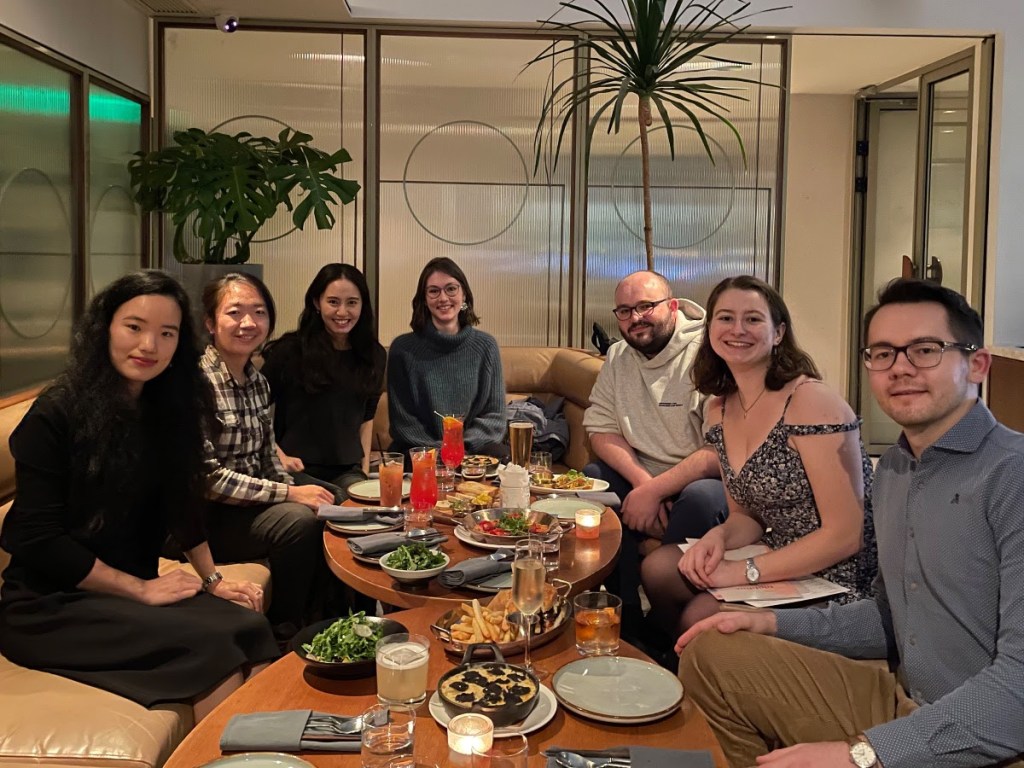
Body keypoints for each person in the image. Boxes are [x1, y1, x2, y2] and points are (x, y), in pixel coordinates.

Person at [677, 278, 1024, 768]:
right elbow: (887, 617)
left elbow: (1017, 686)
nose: (900, 367)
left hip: (986, 734)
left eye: (925, 350)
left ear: (977, 365)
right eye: (883, 353)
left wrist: (864, 753)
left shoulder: (1010, 475)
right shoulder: (896, 469)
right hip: (901, 699)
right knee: (711, 651)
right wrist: (768, 622)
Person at [0, 271, 277, 715]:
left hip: (132, 591)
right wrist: (140, 590)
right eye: (134, 327)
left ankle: (259, 748)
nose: (149, 345)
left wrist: (213, 580)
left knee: (252, 630)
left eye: (166, 333)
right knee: (213, 649)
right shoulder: (56, 413)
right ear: (105, 328)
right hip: (52, 604)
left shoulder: (167, 406)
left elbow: (181, 504)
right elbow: (38, 538)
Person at [641, 275, 877, 638]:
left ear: (778, 333)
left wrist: (743, 571)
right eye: (725, 318)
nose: (738, 329)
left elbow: (846, 535)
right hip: (778, 550)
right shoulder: (719, 409)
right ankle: (684, 665)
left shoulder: (810, 401)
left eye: (752, 319)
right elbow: (746, 516)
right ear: (710, 329)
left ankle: (702, 664)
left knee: (702, 616)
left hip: (838, 571)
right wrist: (718, 537)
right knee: (659, 568)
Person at [581, 270, 727, 625]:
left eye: (646, 306)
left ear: (673, 306)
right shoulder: (618, 356)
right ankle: (624, 613)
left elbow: (719, 452)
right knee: (593, 478)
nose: (636, 318)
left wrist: (657, 491)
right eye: (625, 311)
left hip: (695, 480)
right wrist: (643, 483)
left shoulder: (707, 354)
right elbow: (600, 428)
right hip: (642, 477)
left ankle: (666, 623)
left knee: (702, 498)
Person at [199, 272, 334, 639]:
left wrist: (294, 489)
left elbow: (268, 458)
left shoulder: (257, 382)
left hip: (247, 505)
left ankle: (326, 618)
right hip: (205, 517)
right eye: (234, 312)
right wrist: (290, 494)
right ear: (210, 322)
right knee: (298, 521)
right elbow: (208, 480)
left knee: (331, 503)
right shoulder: (197, 384)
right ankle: (283, 629)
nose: (248, 323)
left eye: (259, 312)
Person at [262, 264, 387, 500]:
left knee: (365, 505)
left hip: (347, 470)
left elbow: (366, 418)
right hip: (296, 469)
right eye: (333, 302)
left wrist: (362, 471)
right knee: (336, 499)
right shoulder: (289, 351)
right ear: (317, 303)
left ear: (362, 305)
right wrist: (279, 455)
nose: (342, 312)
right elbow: (255, 408)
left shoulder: (373, 355)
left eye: (352, 302)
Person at [387, 257, 506, 457]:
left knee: (503, 458)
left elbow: (494, 416)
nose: (443, 298)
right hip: (420, 451)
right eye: (434, 291)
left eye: (451, 289)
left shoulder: (486, 346)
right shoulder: (402, 350)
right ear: (424, 299)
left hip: (472, 449)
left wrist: (459, 447)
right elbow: (404, 422)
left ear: (464, 294)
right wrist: (441, 452)